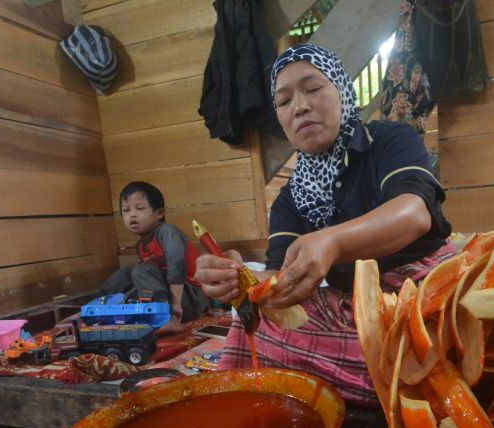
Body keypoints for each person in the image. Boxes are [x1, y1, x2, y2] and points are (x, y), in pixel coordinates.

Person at [194, 44, 454, 407]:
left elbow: (414, 213)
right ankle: (388, 381)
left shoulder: (388, 140)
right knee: (252, 319)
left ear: (343, 90)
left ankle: (373, 379)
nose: (299, 106)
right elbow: (279, 274)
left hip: (423, 288)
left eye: (313, 88)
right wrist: (239, 280)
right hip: (355, 308)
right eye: (284, 102)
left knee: (432, 332)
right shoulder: (292, 196)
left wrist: (331, 243)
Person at [101, 181, 209, 334]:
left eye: (140, 208)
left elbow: (177, 263)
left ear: (159, 213)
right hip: (166, 296)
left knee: (141, 271)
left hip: (190, 297)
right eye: (126, 210)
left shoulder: (167, 232)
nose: (132, 214)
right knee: (125, 274)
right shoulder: (141, 245)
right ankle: (97, 310)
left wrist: (176, 306)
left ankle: (167, 319)